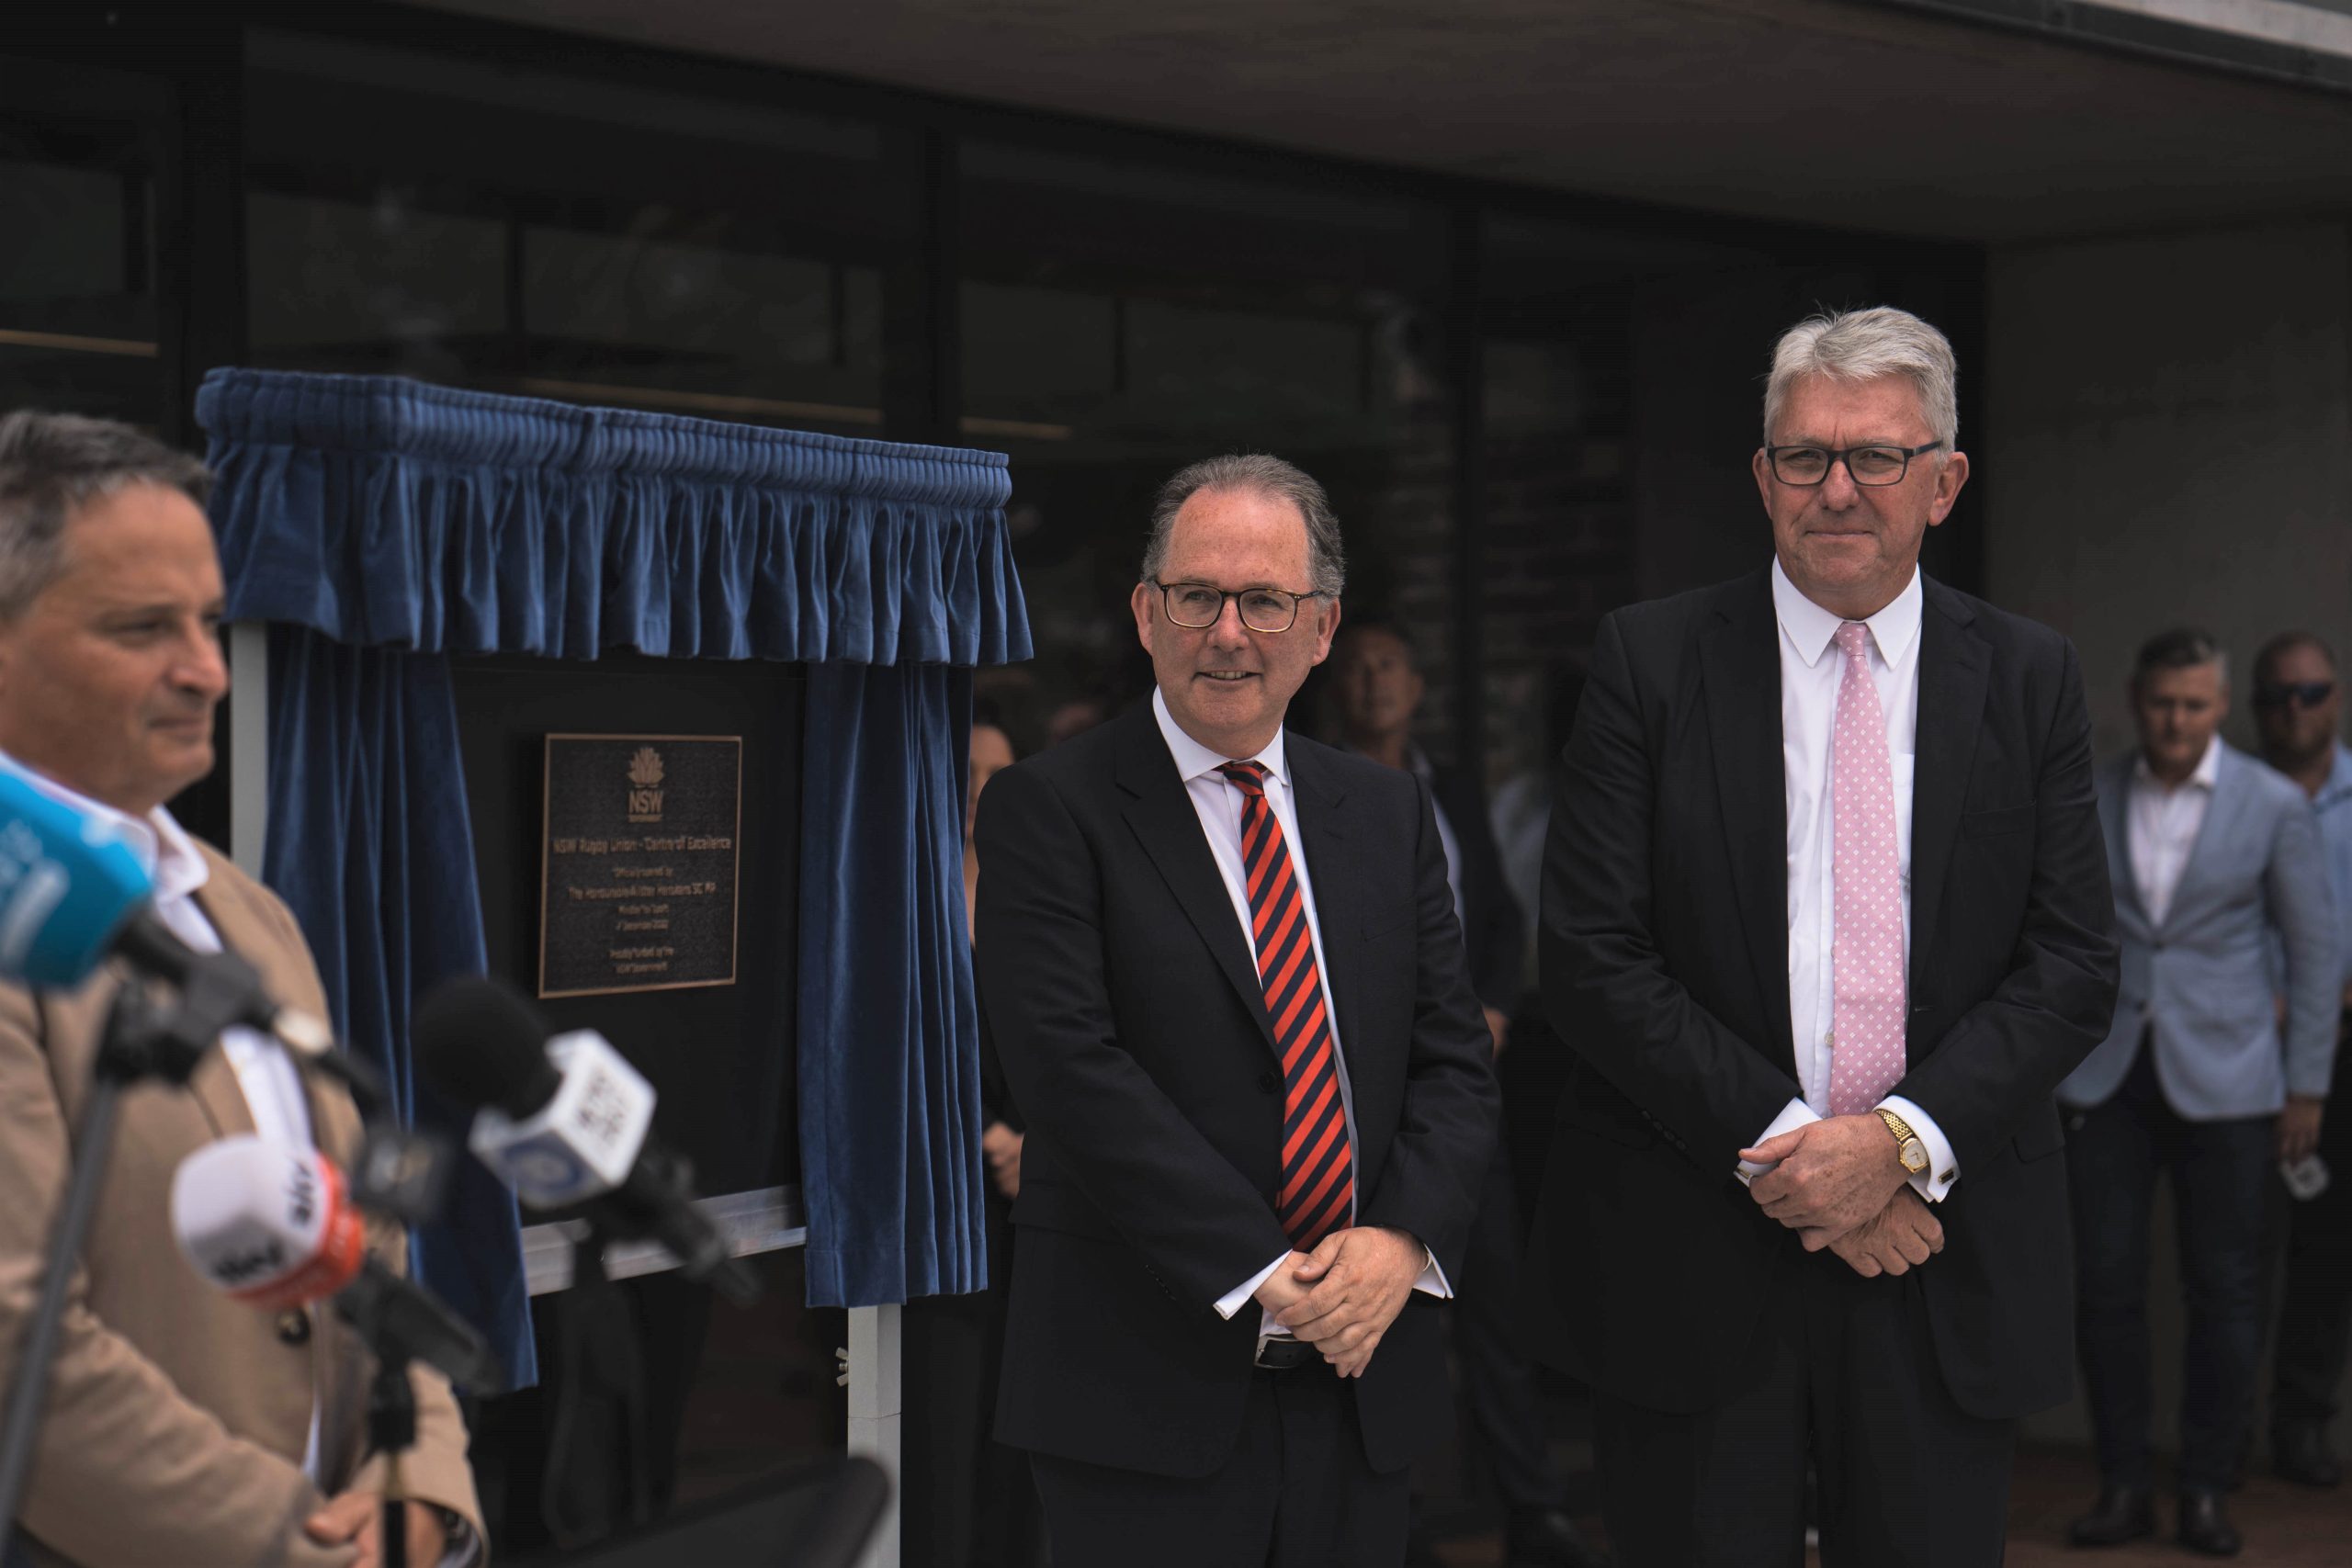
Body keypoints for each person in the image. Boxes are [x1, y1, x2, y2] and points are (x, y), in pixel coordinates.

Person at [1524, 306, 2120, 1567]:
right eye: (1806, 456)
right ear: (1763, 476)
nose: (1837, 488)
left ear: (1945, 481)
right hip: (1692, 1244)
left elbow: (2071, 961)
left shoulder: (2030, 677)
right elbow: (1589, 952)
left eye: (1877, 456)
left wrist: (1897, 1144)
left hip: (1935, 1254)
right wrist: (1806, 1157)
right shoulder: (1650, 660)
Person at [974, 454, 1498, 1566]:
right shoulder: (1049, 807)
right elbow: (1068, 1070)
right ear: (1144, 614)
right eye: (1197, 596)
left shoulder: (1385, 810)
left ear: (1321, 628)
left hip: (1363, 1380)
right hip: (1140, 1392)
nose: (1228, 632)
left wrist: (1397, 1245)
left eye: (1264, 601)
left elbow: (1452, 1062)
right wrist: (1272, 1276)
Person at [0, 412, 483, 1566]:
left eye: (209, 622)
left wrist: (419, 1482)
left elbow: (365, 1243)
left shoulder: (239, 908)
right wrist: (301, 1548)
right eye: (141, 628)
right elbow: (16, 1344)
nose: (207, 669)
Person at [1327, 621, 1603, 1568]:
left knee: (1494, 1300)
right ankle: (1395, 1526)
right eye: (1357, 668)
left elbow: (1493, 913)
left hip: (1459, 1091)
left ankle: (1532, 1510)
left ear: (1414, 684)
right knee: (1382, 1312)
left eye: (1389, 665)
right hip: (1356, 1099)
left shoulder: (1448, 789)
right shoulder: (1308, 783)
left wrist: (1489, 1007)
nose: (1373, 683)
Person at [2056, 628, 2337, 1554]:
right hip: (2109, 1074)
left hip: (2233, 1078)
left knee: (2225, 1290)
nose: (2176, 721)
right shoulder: (2090, 792)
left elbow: (2313, 947)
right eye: (2161, 704)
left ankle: (2209, 1488)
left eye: (2194, 705)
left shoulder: (2266, 802)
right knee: (2104, 1286)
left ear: (2220, 708)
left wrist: (2305, 1088)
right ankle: (2125, 1485)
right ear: (2137, 700)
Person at [901, 709, 1045, 1568]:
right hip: (939, 1201)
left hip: (1041, 1197)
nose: (979, 793)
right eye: (964, 773)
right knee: (937, 1428)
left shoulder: (1048, 894)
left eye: (997, 773)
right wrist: (982, 1132)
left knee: (1023, 1432)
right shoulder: (900, 904)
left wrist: (1044, 1145)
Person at [2253, 631, 2352, 1489]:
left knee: (2329, 1246)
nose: (2297, 709)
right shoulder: (2233, 799)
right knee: (2236, 1246)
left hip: (2343, 1051)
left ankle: (2302, 1428)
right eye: (2282, 695)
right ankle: (2226, 1438)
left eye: (2313, 693)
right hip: (2246, 1046)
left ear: (2337, 699)